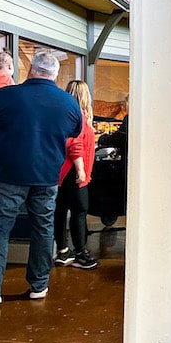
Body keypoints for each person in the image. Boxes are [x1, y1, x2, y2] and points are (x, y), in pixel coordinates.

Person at [0, 50, 82, 307]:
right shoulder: (68, 103)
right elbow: (75, 130)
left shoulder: (6, 95)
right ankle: (39, 285)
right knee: (43, 228)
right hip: (48, 177)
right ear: (55, 74)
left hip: (9, 175)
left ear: (30, 70)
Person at [53, 81, 99, 270]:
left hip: (61, 172)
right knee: (80, 210)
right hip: (73, 171)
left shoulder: (64, 115)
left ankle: (63, 251)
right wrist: (81, 170)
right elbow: (75, 144)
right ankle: (81, 253)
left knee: (61, 210)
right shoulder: (77, 116)